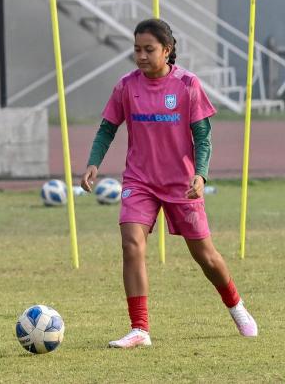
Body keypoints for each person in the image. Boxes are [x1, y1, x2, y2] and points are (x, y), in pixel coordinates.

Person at [80, 18, 257, 349]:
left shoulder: (188, 85)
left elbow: (203, 136)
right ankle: (139, 329)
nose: (142, 56)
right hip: (140, 180)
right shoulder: (126, 86)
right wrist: (93, 163)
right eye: (137, 50)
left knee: (205, 256)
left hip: (180, 184)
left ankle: (236, 306)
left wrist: (200, 174)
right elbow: (107, 128)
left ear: (167, 50)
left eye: (149, 50)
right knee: (131, 244)